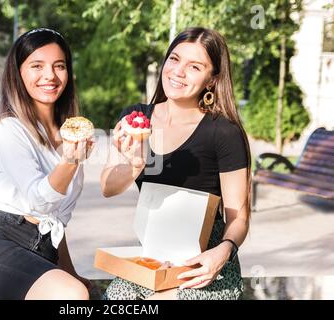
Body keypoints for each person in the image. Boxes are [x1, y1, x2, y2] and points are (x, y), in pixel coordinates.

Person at [100, 27, 252, 300]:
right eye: (174, 59)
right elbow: (108, 187)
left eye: (194, 66)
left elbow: (239, 216)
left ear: (212, 79)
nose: (178, 72)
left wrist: (224, 251)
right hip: (152, 257)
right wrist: (135, 163)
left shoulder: (223, 132)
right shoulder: (137, 119)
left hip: (202, 265)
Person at [0, 28, 94, 300]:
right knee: (72, 295)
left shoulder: (69, 134)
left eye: (59, 66)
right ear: (18, 73)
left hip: (40, 253)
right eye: (36, 66)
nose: (50, 76)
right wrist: (70, 162)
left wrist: (70, 272)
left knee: (81, 293)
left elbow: (55, 220)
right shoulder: (10, 129)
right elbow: (40, 202)